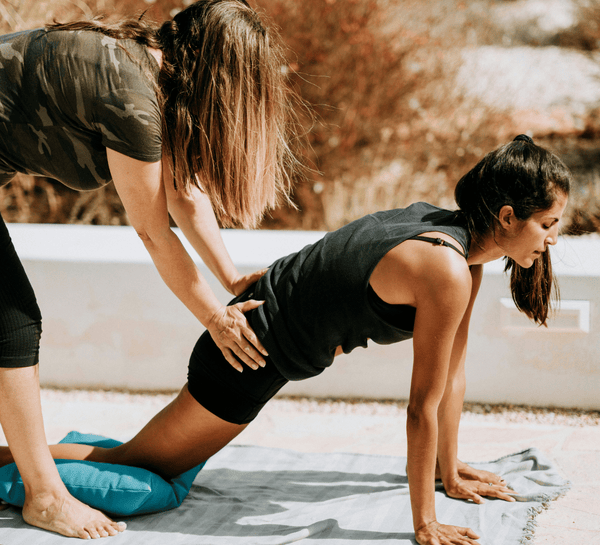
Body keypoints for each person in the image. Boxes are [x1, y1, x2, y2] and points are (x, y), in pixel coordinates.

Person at [0, 135, 571, 544]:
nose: (550, 241)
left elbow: (452, 376)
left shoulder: (459, 252)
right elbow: (421, 408)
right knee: (138, 470)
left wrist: (450, 469)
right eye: (547, 224)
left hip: (260, 342)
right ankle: (18, 465)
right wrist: (424, 525)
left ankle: (29, 458)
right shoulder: (444, 269)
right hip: (247, 355)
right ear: (506, 215)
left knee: (142, 461)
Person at [0, 0, 302, 539]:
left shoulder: (147, 74)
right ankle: (44, 497)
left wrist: (231, 280)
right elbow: (154, 233)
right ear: (219, 73)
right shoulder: (133, 100)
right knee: (13, 322)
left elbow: (184, 193)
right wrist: (216, 317)